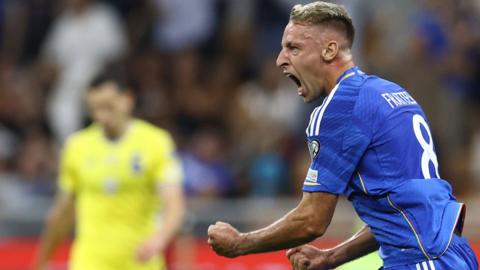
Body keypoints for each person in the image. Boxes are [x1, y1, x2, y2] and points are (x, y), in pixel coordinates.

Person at [207, 2, 479, 270]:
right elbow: (399, 212)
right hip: (445, 254)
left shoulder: (340, 108)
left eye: (294, 47)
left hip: (421, 260)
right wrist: (332, 257)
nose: (281, 59)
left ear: (329, 49)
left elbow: (312, 220)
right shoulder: (390, 93)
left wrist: (241, 243)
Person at [34, 72, 185, 270]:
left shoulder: (156, 142)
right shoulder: (77, 147)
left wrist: (160, 237)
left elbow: (174, 204)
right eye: (94, 109)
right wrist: (41, 261)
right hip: (89, 263)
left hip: (141, 262)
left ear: (127, 100)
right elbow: (63, 213)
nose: (101, 116)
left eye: (108, 106)